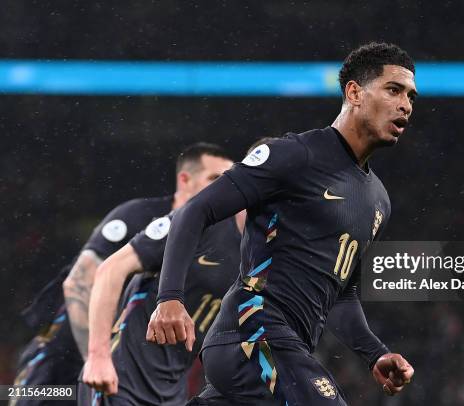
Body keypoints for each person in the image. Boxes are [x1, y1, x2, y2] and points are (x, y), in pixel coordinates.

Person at [147, 41, 417, 405]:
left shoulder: (378, 201)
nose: (405, 105)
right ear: (354, 92)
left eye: (411, 96)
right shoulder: (294, 155)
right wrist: (170, 298)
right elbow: (196, 211)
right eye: (393, 90)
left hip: (285, 347)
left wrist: (374, 353)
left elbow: (342, 295)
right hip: (253, 331)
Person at [10, 142, 227, 406]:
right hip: (61, 360)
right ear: (184, 179)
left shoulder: (212, 239)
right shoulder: (138, 217)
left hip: (120, 371)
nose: (222, 189)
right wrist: (96, 358)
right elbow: (78, 284)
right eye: (214, 178)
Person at [79, 150, 241, 405]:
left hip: (172, 392)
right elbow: (110, 270)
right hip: (121, 381)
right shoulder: (193, 222)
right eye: (213, 178)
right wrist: (97, 357)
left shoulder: (259, 251)